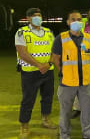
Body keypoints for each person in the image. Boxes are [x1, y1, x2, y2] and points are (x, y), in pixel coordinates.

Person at [52, 10, 90, 139]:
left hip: (85, 82)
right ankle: (65, 135)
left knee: (86, 110)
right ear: (68, 22)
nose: (76, 22)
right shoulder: (60, 38)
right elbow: (55, 57)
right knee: (65, 111)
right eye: (73, 19)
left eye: (79, 19)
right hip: (67, 82)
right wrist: (62, 71)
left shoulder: (89, 38)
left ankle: (88, 133)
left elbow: (89, 55)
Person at [15, 8, 57, 139]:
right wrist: (39, 65)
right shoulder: (22, 32)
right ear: (28, 18)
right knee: (28, 99)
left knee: (47, 97)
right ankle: (24, 126)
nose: (38, 18)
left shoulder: (48, 32)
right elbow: (22, 53)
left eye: (39, 16)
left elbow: (54, 51)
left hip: (48, 71)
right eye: (34, 16)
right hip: (30, 72)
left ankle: (46, 120)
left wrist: (48, 64)